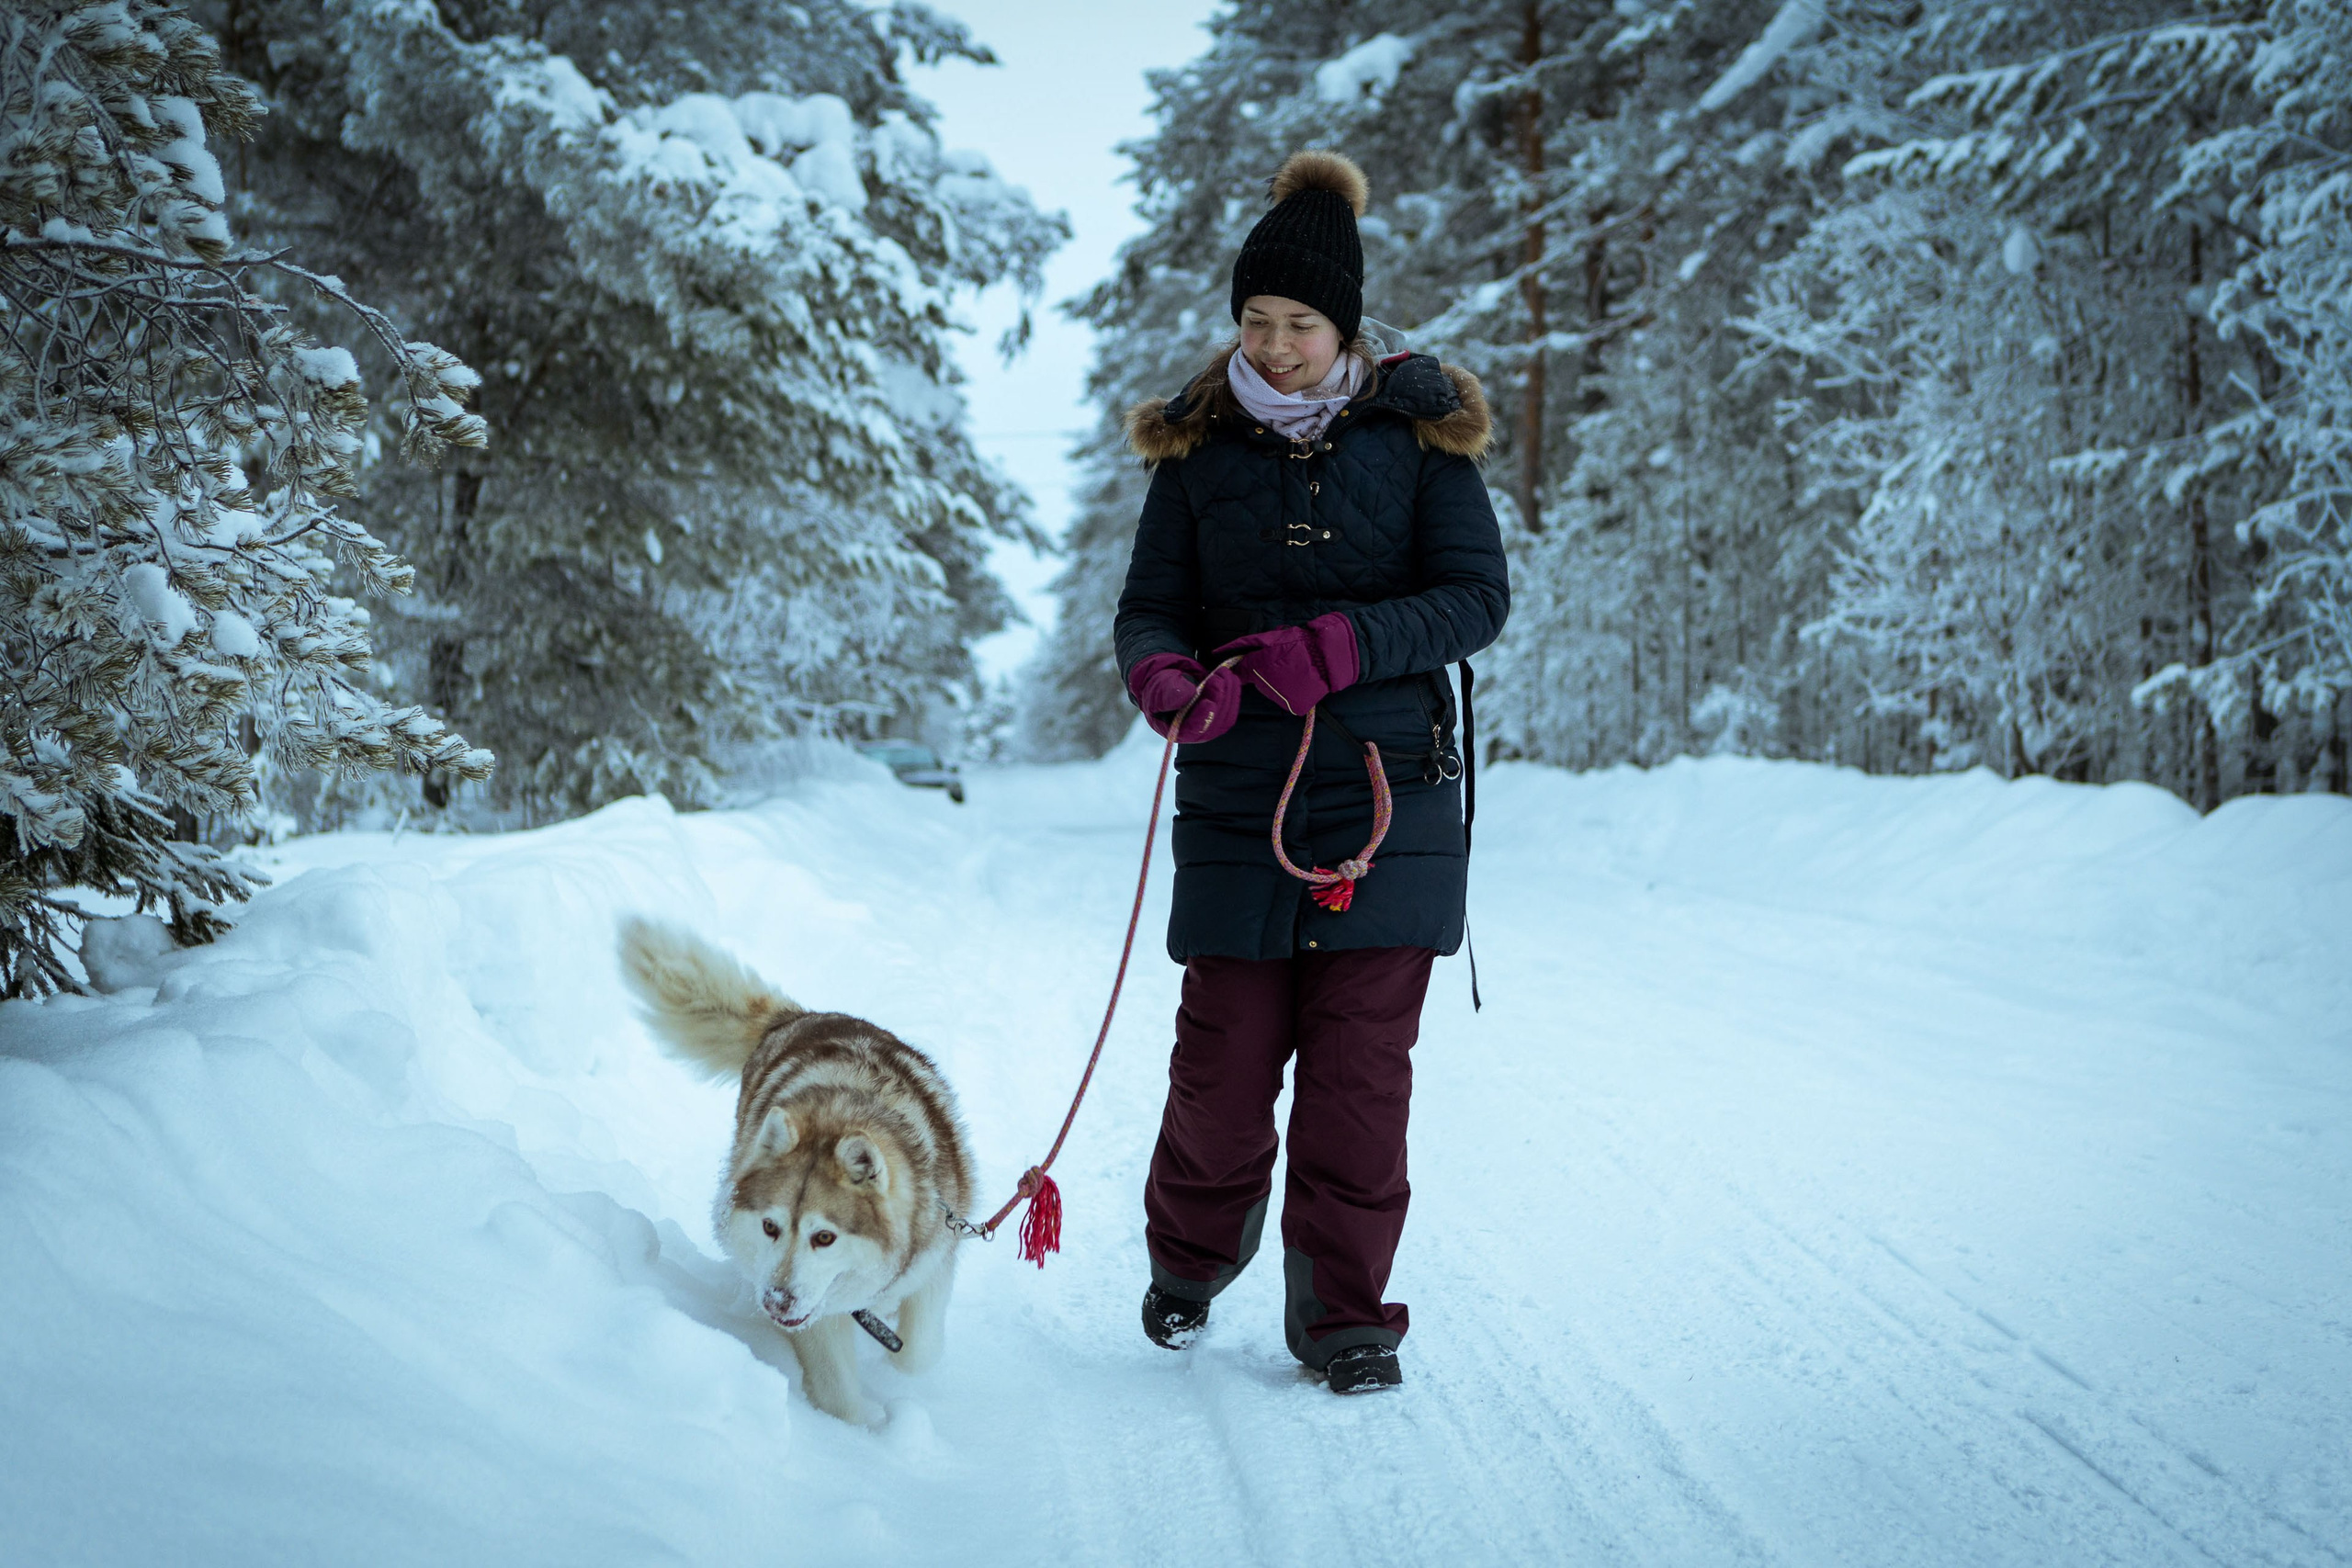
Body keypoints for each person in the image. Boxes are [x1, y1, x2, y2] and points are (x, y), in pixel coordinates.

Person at [1112, 149, 1509, 1395]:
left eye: (1299, 324)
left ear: (1346, 327)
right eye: (1255, 320)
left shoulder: (1421, 440)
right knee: (1222, 1069)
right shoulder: (1196, 453)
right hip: (1236, 794)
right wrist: (1164, 677)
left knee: (1355, 1085)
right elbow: (1149, 609)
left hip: (1391, 800)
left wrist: (1340, 644)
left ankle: (1347, 1317)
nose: (1274, 346)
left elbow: (1475, 600)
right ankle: (1189, 1262)